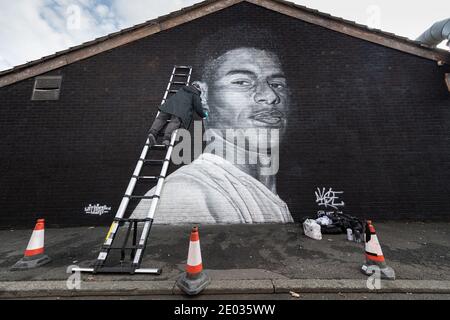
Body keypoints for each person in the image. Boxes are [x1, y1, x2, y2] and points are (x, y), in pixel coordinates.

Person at [132, 25, 294, 224]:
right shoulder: (186, 195)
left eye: (277, 84)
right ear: (203, 94)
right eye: (242, 82)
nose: (270, 96)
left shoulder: (264, 195)